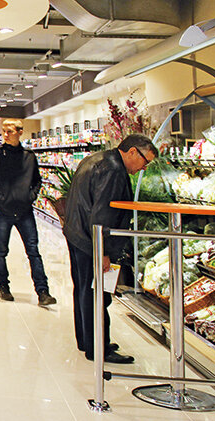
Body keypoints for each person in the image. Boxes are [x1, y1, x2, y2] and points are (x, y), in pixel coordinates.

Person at [64, 134, 157, 364]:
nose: (144, 168)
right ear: (133, 151)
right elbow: (102, 214)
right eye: (145, 161)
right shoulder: (113, 170)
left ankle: (87, 340)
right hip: (92, 242)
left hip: (78, 234)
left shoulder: (98, 159)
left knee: (84, 290)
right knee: (97, 294)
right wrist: (103, 252)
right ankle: (98, 348)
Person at [0, 119, 55, 306]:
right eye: (4, 131)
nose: (5, 135)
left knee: (33, 251)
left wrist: (31, 196)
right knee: (1, 250)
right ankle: (3, 286)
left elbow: (37, 180)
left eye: (10, 131)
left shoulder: (29, 156)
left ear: (20, 132)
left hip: (25, 211)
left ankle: (43, 291)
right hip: (2, 211)